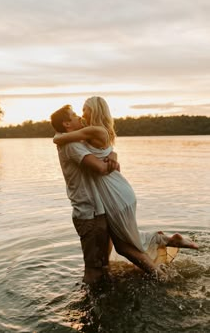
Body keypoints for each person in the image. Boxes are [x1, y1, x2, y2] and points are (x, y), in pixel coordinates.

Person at [53, 97, 199, 280]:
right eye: (76, 113)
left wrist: (57, 136)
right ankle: (165, 244)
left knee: (123, 245)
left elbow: (96, 163)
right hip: (113, 193)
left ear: (94, 111)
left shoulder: (87, 134)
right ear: (67, 123)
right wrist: (112, 155)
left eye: (84, 110)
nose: (81, 115)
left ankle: (160, 276)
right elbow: (102, 154)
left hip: (114, 194)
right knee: (126, 239)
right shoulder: (86, 136)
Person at [50, 105, 119, 285]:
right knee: (93, 268)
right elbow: (101, 168)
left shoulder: (77, 141)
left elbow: (104, 150)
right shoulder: (72, 145)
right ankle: (90, 305)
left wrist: (113, 153)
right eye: (74, 116)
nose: (80, 117)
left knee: (103, 264)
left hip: (96, 211)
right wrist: (111, 161)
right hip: (89, 213)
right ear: (66, 123)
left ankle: (104, 300)